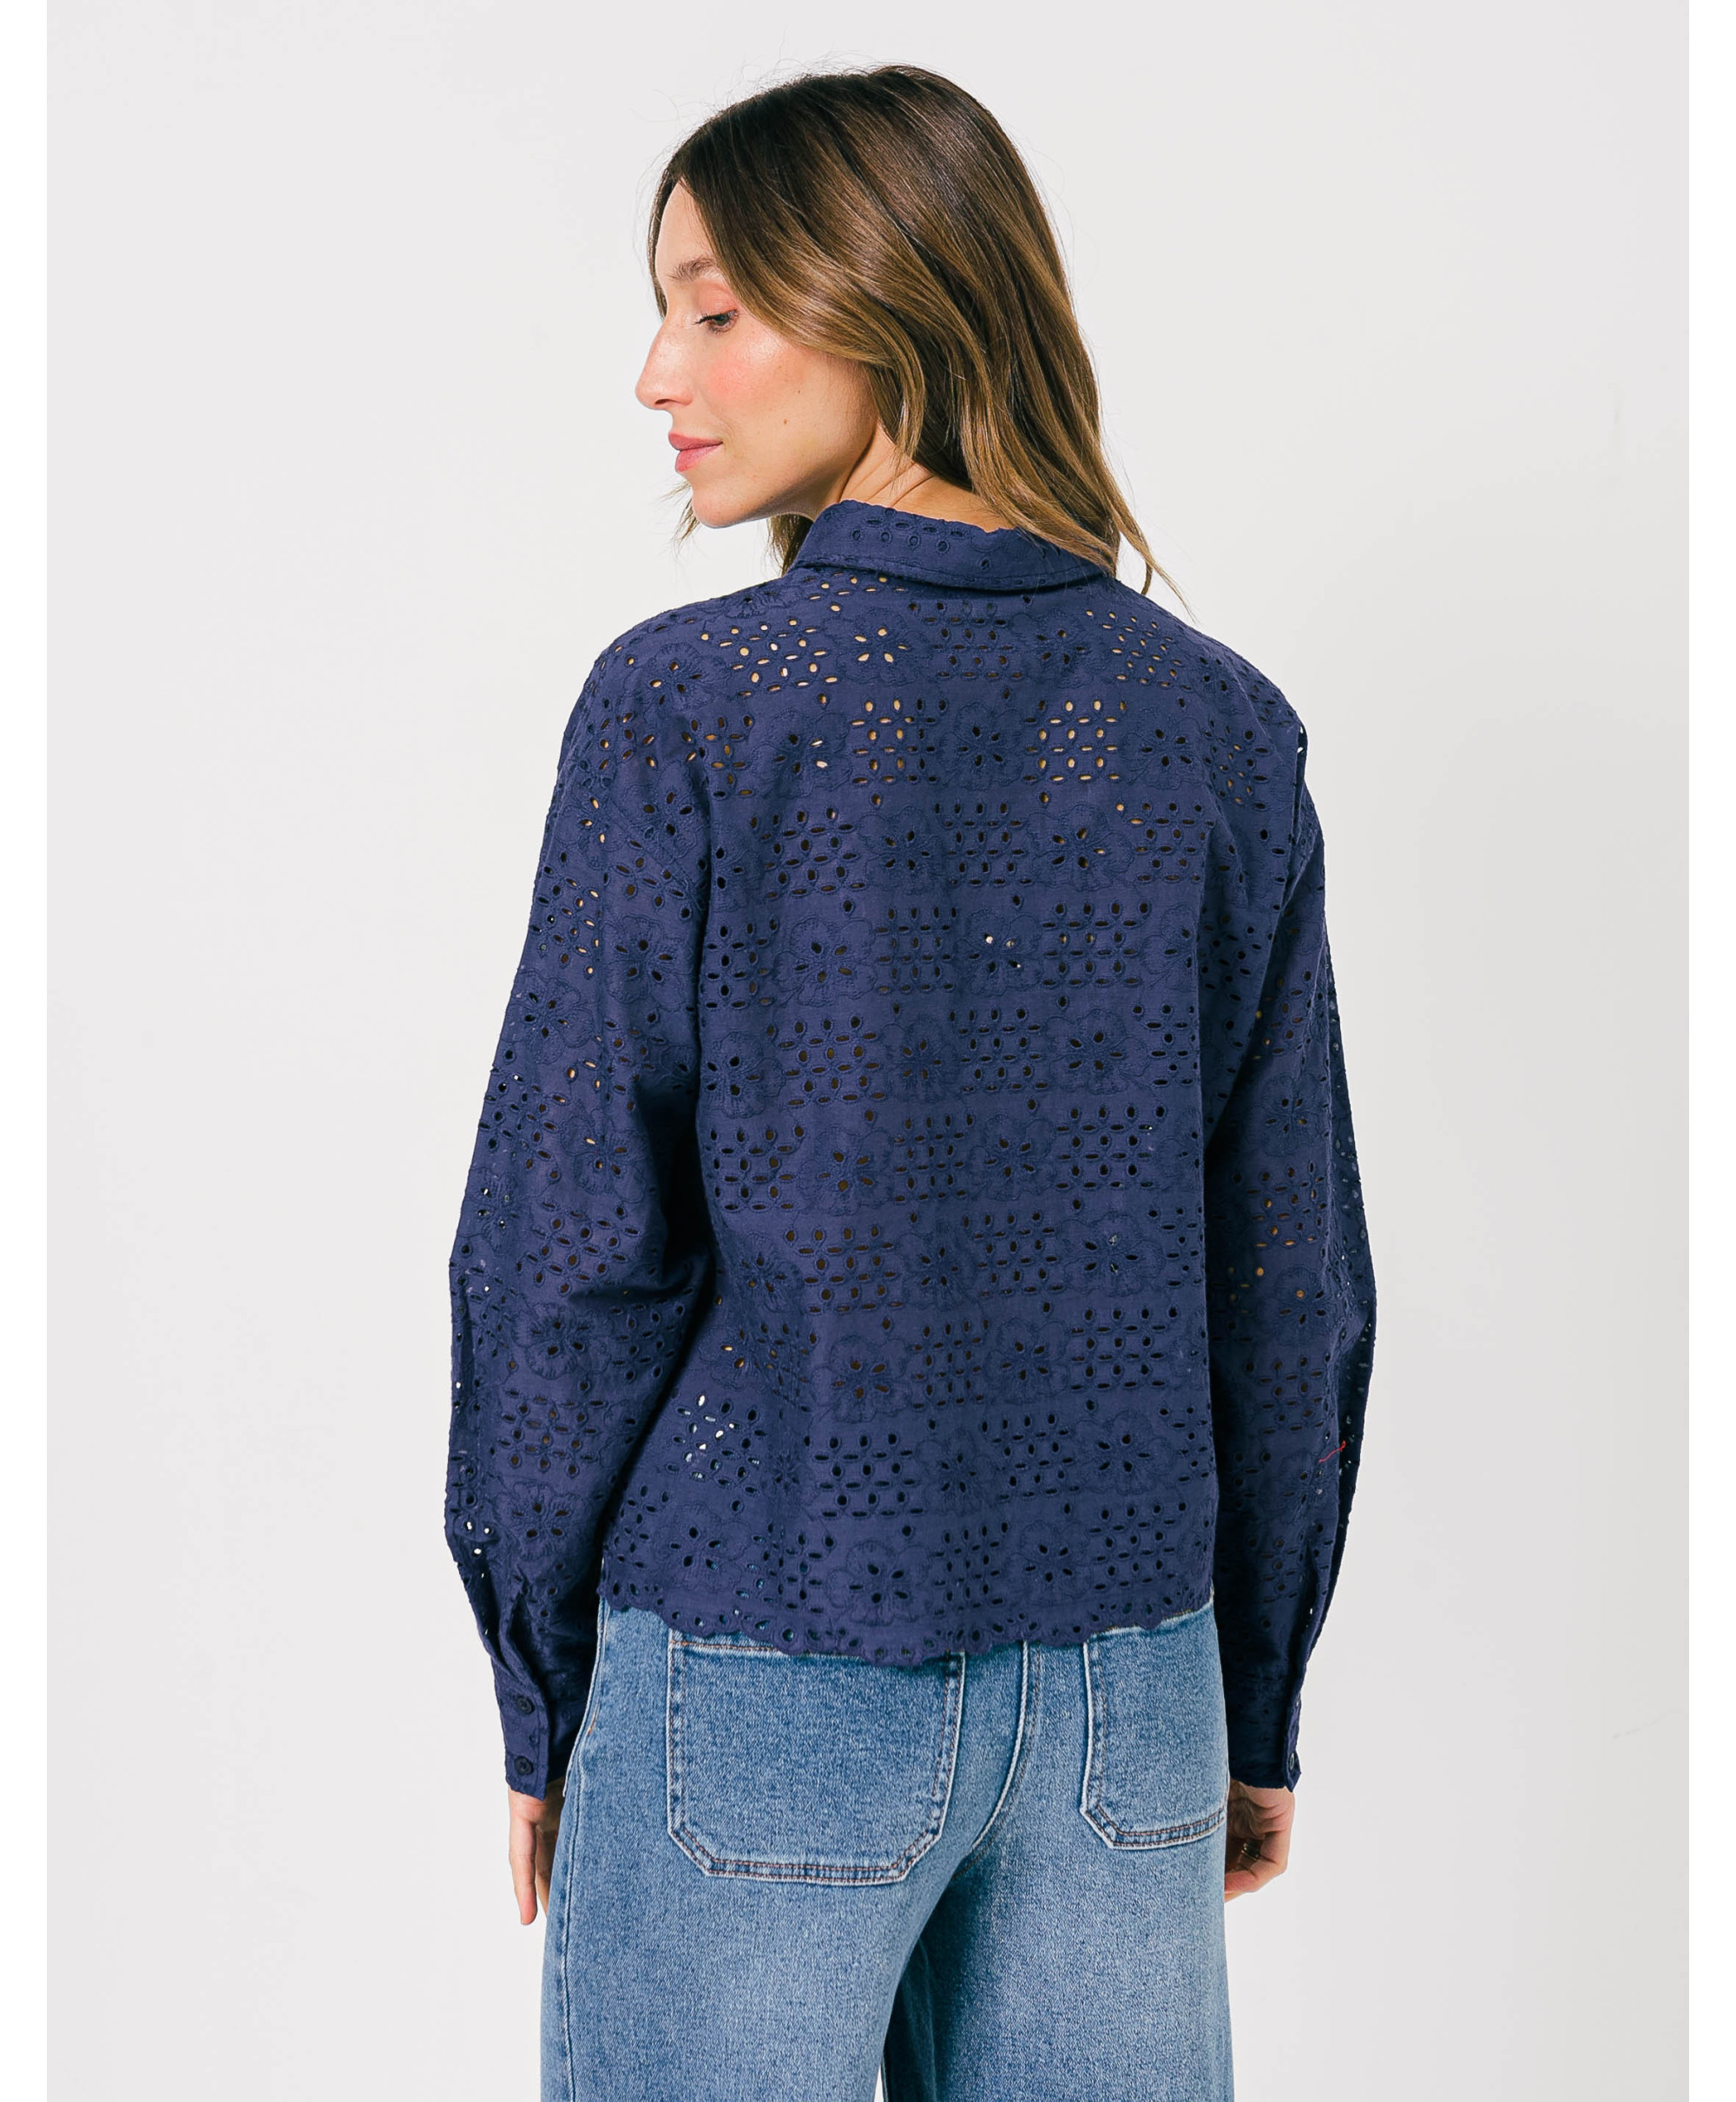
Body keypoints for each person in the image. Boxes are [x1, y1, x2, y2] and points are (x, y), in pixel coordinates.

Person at [445, 63, 1375, 2102]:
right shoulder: (1221, 727)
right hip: (1129, 1688)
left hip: (760, 1654)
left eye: (713, 308)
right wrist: (1251, 1688)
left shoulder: (686, 708)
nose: (656, 373)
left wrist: (538, 1683)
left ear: (893, 302)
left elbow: (570, 1244)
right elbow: (1286, 1273)